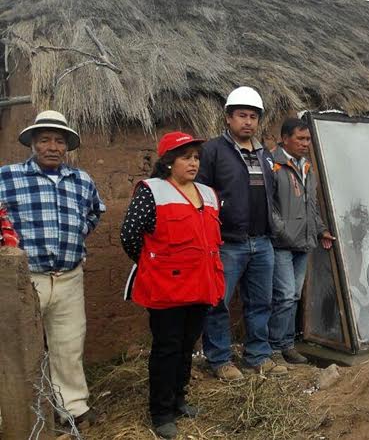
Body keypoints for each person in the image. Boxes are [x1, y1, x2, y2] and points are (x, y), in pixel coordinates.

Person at [0, 110, 105, 426]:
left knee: (68, 345)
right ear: (32, 143)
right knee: (13, 345)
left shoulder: (81, 180)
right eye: (44, 139)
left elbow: (94, 214)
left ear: (67, 147)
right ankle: (15, 410)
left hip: (69, 278)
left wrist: (73, 236)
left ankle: (71, 407)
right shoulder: (8, 176)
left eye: (59, 141)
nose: (52, 146)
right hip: (26, 280)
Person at [120, 132, 225, 439]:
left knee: (187, 345)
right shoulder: (152, 191)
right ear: (168, 162)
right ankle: (161, 411)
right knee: (167, 347)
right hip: (167, 287)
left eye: (195, 157)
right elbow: (130, 236)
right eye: (185, 157)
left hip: (201, 283)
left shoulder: (207, 193)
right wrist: (157, 264)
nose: (193, 163)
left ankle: (179, 398)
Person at [198, 86, 287, 380]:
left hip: (262, 241)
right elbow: (200, 194)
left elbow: (271, 195)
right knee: (218, 303)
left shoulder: (263, 154)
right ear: (228, 118)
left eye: (252, 116)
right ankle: (220, 359)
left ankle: (258, 355)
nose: (247, 122)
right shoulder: (213, 151)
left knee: (261, 302)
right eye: (241, 116)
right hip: (227, 243)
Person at [269, 118, 335, 364]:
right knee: (284, 294)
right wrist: (283, 232)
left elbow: (312, 207)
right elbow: (268, 208)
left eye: (308, 139)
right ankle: (274, 348)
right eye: (301, 139)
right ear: (285, 138)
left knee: (295, 295)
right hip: (282, 244)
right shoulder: (273, 166)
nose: (306, 143)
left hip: (303, 243)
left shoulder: (307, 168)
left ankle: (287, 344)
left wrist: (320, 230)